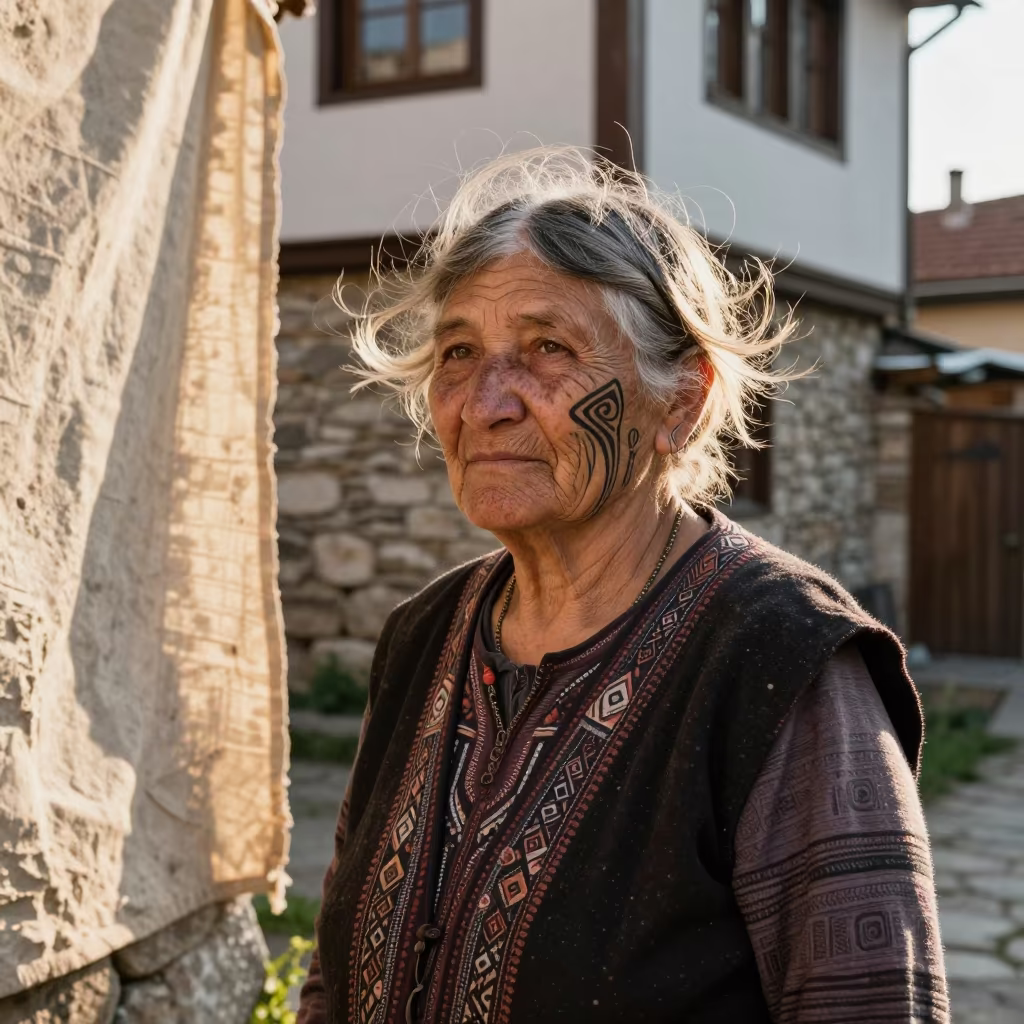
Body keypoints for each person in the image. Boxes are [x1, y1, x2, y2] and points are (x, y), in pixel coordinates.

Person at [296, 148, 947, 1024]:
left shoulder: (780, 664)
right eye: (459, 351)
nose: (486, 402)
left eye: (547, 349)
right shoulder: (423, 637)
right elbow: (332, 983)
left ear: (679, 401)